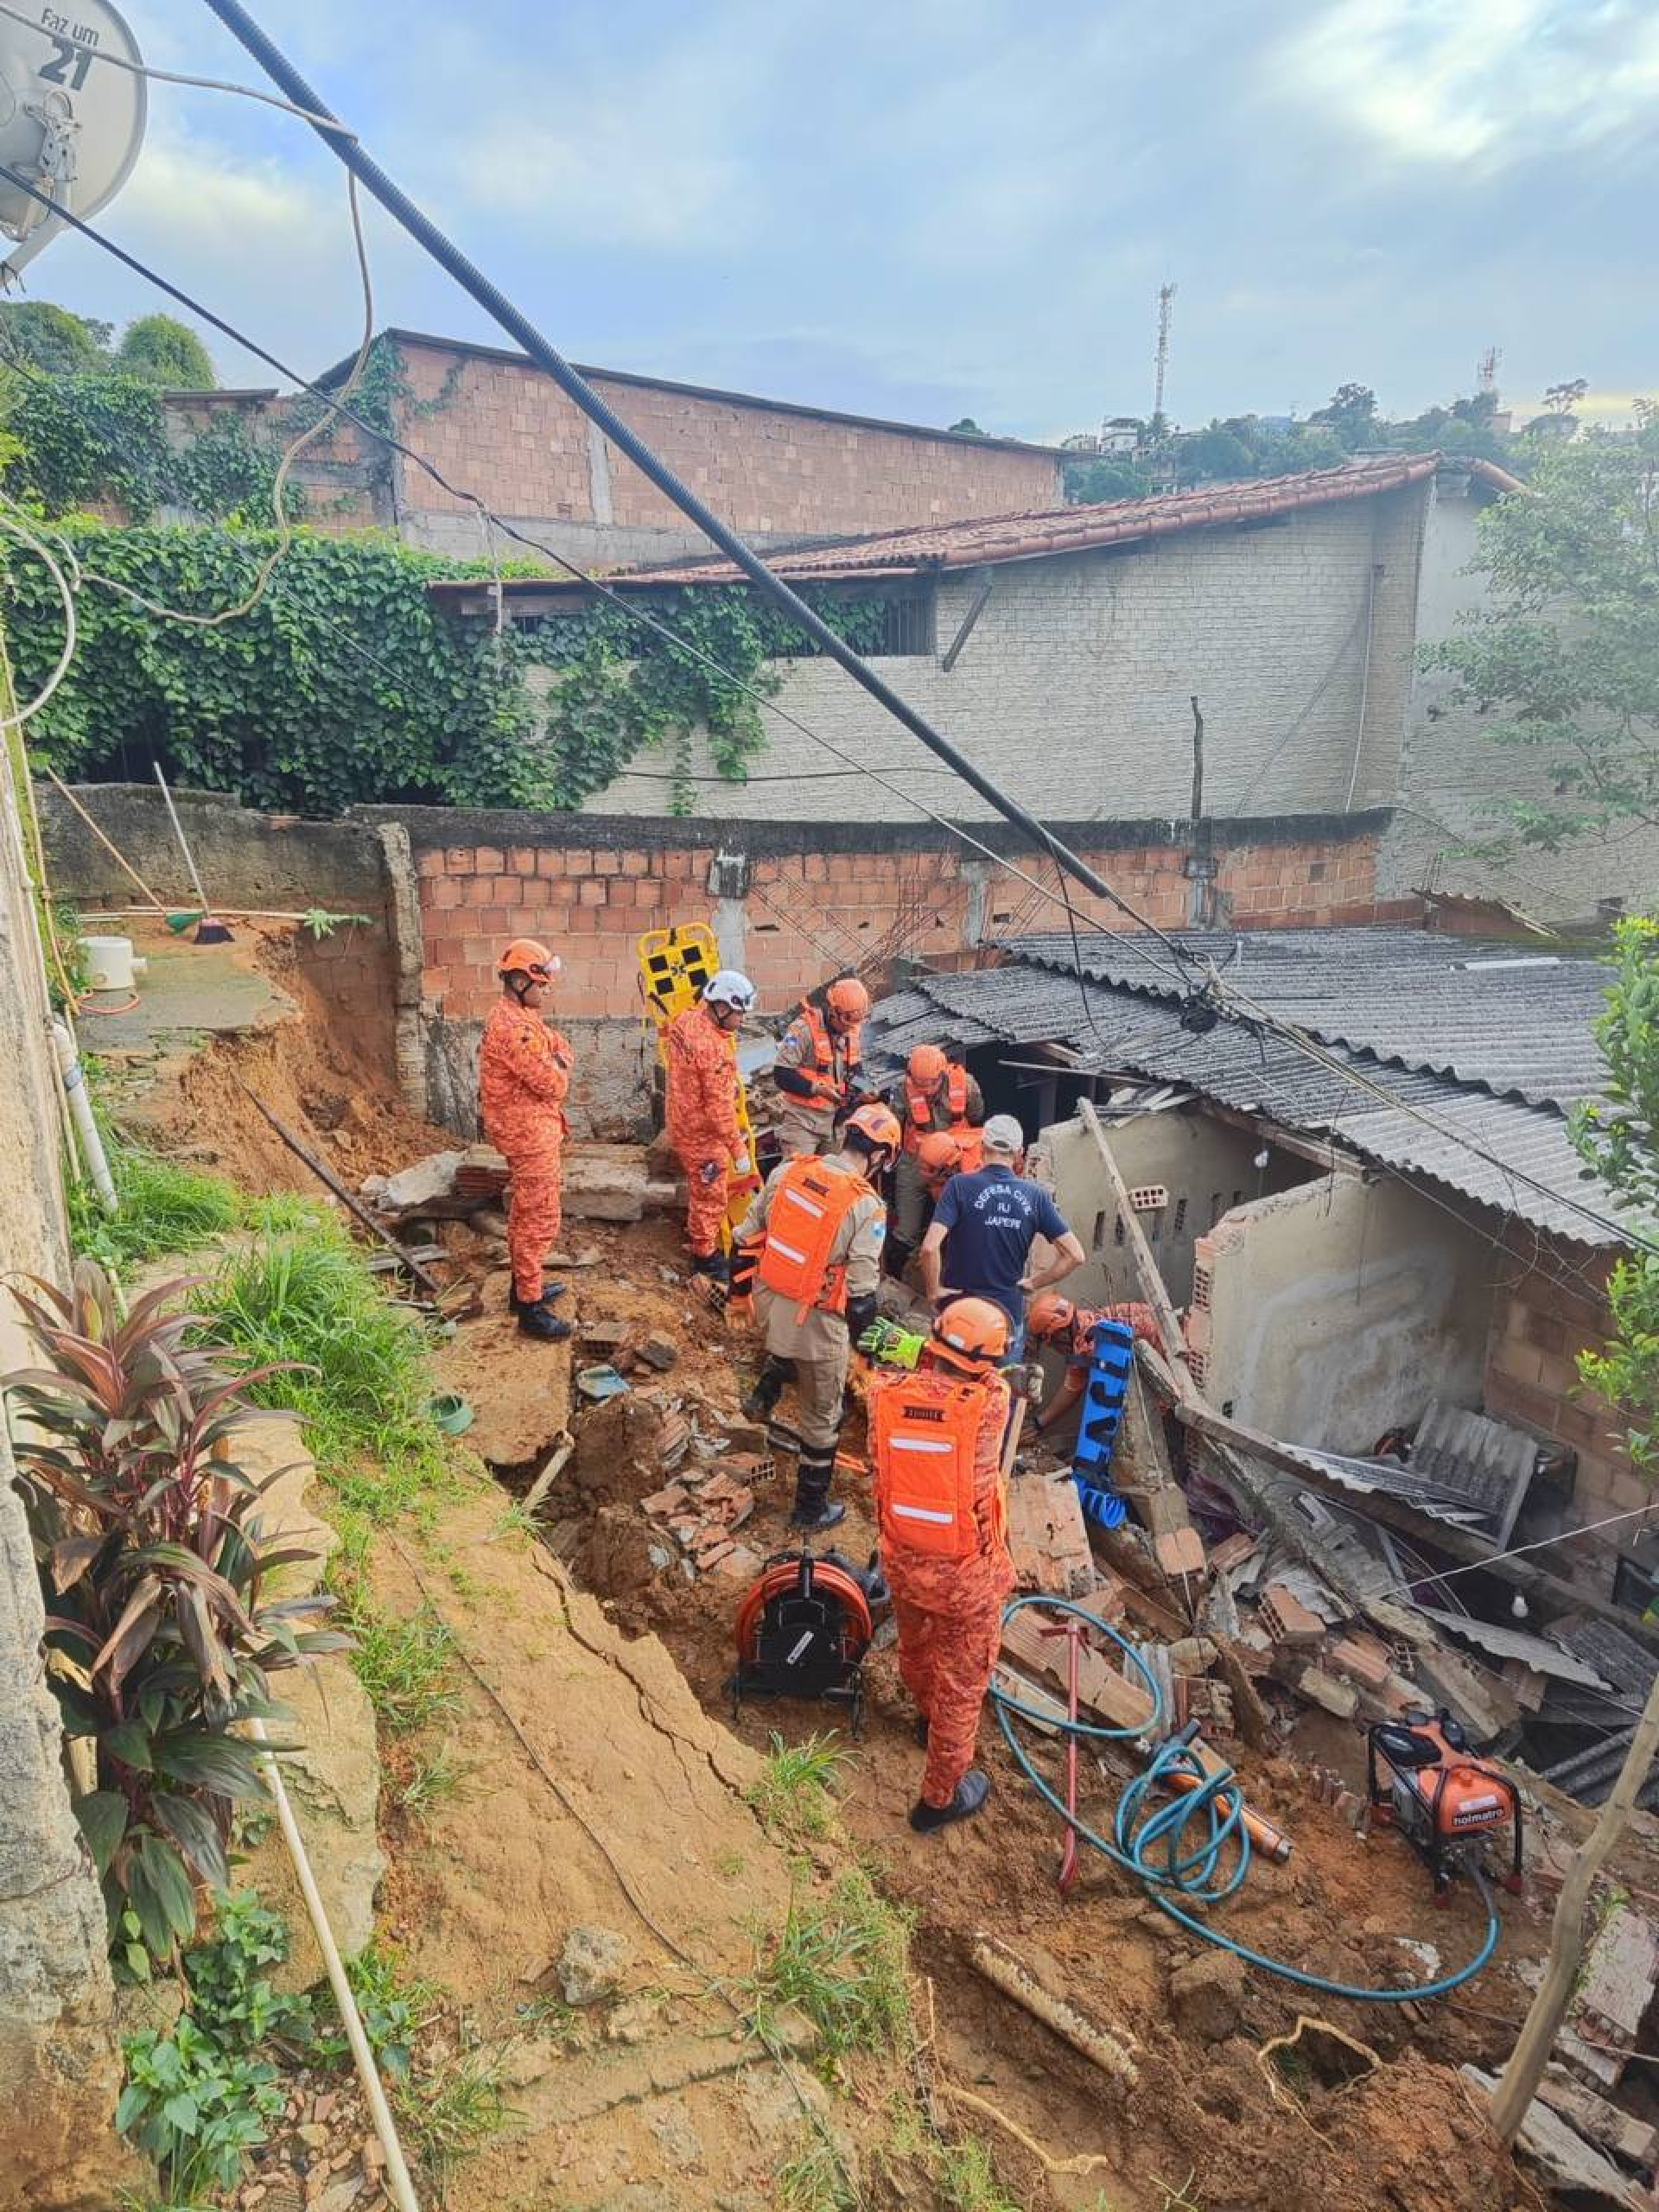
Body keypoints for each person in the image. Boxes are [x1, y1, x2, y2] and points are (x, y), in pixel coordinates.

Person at [868, 1296, 1014, 1832]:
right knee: (962, 1684)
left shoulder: (882, 1395)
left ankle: (923, 1714)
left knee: (916, 1646)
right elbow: (994, 1381)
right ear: (989, 1362)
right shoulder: (990, 1405)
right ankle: (939, 1798)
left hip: (905, 1559)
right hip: (965, 1579)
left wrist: (917, 1351)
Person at [733, 1101, 900, 1530]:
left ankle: (765, 1390)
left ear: (845, 1136)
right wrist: (867, 1352)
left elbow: (745, 1239)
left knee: (790, 1342)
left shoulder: (788, 1171)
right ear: (880, 1156)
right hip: (815, 1326)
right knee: (824, 1418)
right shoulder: (868, 1209)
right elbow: (861, 1295)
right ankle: (810, 1510)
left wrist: (738, 1298)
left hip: (767, 1309)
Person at [918, 1115, 1085, 1363]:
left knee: (950, 1391)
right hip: (1003, 1320)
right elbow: (1075, 1255)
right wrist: (1034, 1282)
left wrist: (933, 1291)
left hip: (959, 1314)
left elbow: (930, 1248)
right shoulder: (1035, 1196)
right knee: (1000, 1393)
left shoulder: (959, 1186)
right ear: (1019, 1153)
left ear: (983, 1147)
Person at [479, 938, 574, 1342]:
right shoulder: (515, 1029)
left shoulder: (519, 1017)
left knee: (525, 1213)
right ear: (520, 981)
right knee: (538, 1219)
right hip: (527, 1133)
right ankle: (530, 1312)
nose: (546, 991)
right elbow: (553, 1083)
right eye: (542, 983)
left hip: (531, 1127)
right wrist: (559, 1062)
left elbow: (555, 1043)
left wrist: (555, 1054)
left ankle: (525, 1290)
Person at [664, 968, 755, 1290]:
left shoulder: (686, 1021)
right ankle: (705, 1257)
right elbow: (718, 1110)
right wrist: (738, 1149)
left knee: (701, 1190)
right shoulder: (714, 1050)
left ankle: (700, 1242)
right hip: (704, 1135)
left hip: (682, 1121)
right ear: (722, 1007)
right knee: (710, 1196)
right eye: (739, 1014)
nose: (741, 1020)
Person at [888, 1046, 986, 1274]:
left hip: (955, 1161)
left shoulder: (966, 1084)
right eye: (920, 1084)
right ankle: (894, 1276)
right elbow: (893, 1125)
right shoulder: (902, 1089)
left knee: (963, 1224)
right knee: (906, 1230)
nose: (925, 1090)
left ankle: (955, 1273)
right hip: (915, 1162)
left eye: (930, 1084)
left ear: (942, 1074)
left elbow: (977, 1116)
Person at [1026, 1293, 1162, 1436]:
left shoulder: (1090, 1343)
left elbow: (1073, 1387)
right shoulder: (1088, 1320)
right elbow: (1072, 1386)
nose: (1056, 1349)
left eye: (1052, 1344)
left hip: (1169, 1367)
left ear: (1059, 1334)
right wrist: (1039, 1423)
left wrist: (1039, 1424)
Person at [772, 973, 870, 1158]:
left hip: (836, 1125)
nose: (850, 1027)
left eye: (856, 1021)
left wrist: (868, 1089)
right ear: (833, 1011)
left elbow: (855, 1070)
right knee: (798, 1178)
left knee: (831, 1181)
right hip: (803, 1122)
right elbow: (781, 1074)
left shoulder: (852, 1030)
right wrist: (817, 1089)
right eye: (847, 1020)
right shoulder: (802, 1030)